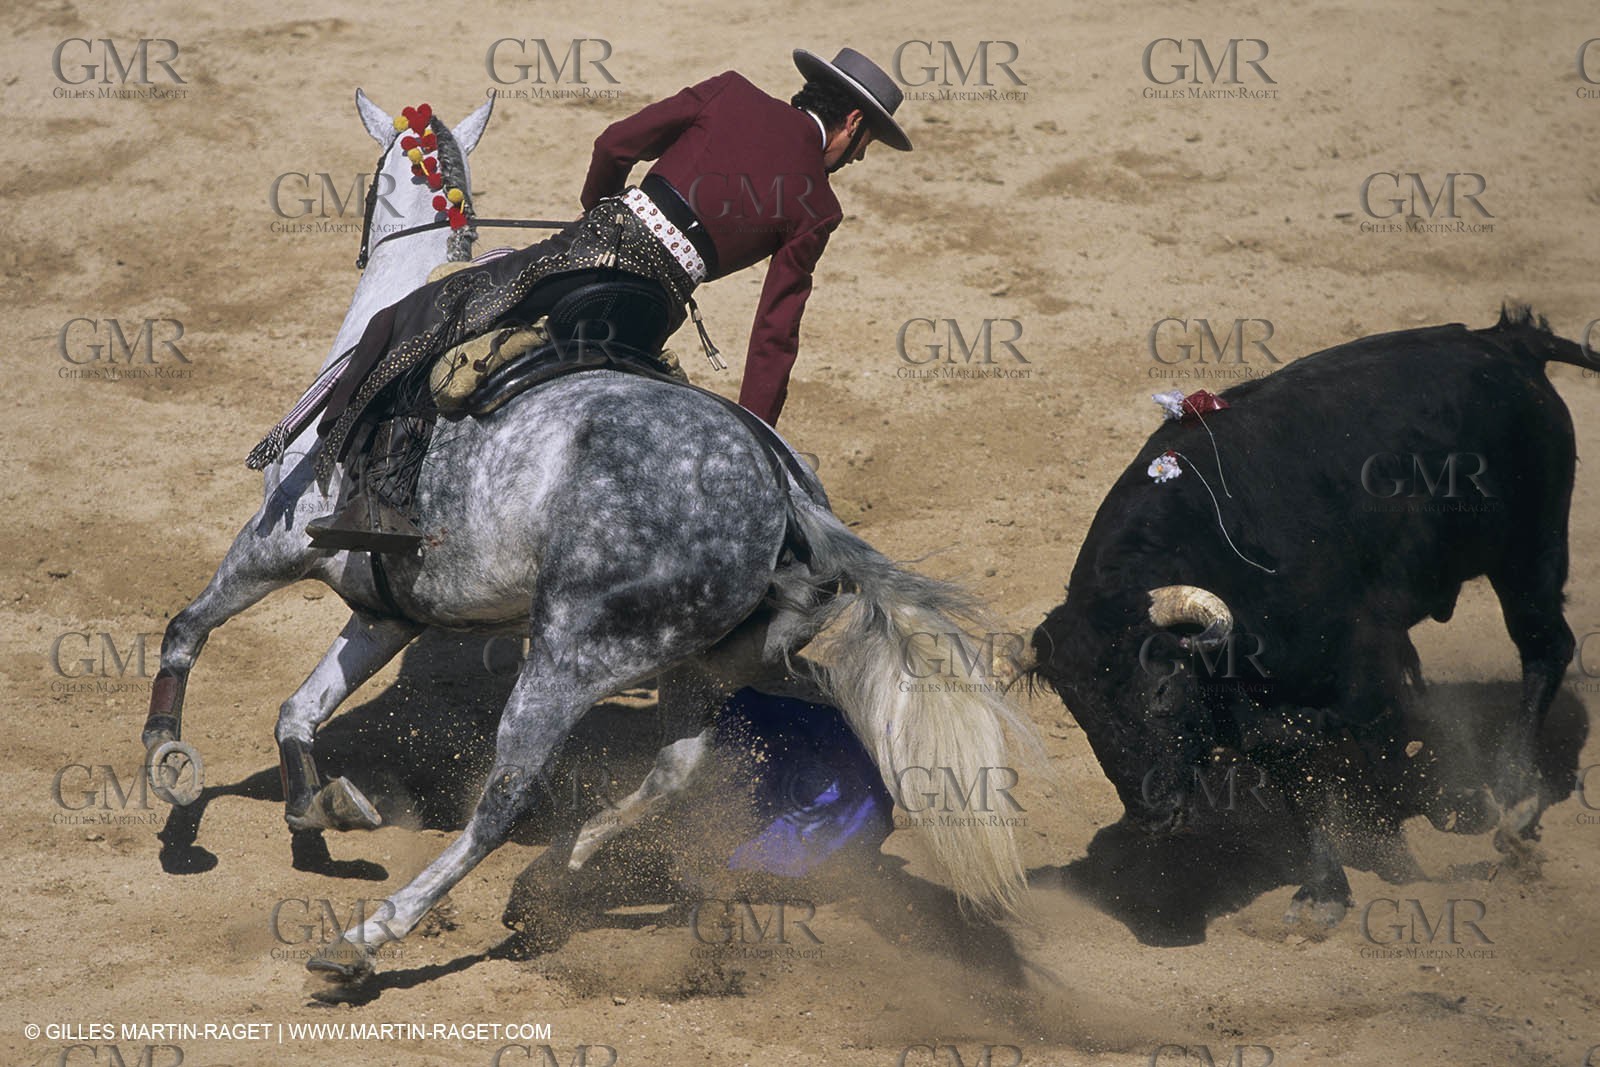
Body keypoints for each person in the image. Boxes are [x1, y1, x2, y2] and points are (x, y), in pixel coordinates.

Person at [292, 47, 912, 553]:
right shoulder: (819, 206)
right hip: (647, 318)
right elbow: (775, 334)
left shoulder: (731, 91)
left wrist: (596, 215)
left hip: (590, 260)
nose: (856, 159)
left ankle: (369, 498)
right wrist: (753, 434)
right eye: (865, 146)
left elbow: (614, 144)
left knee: (430, 312)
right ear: (853, 124)